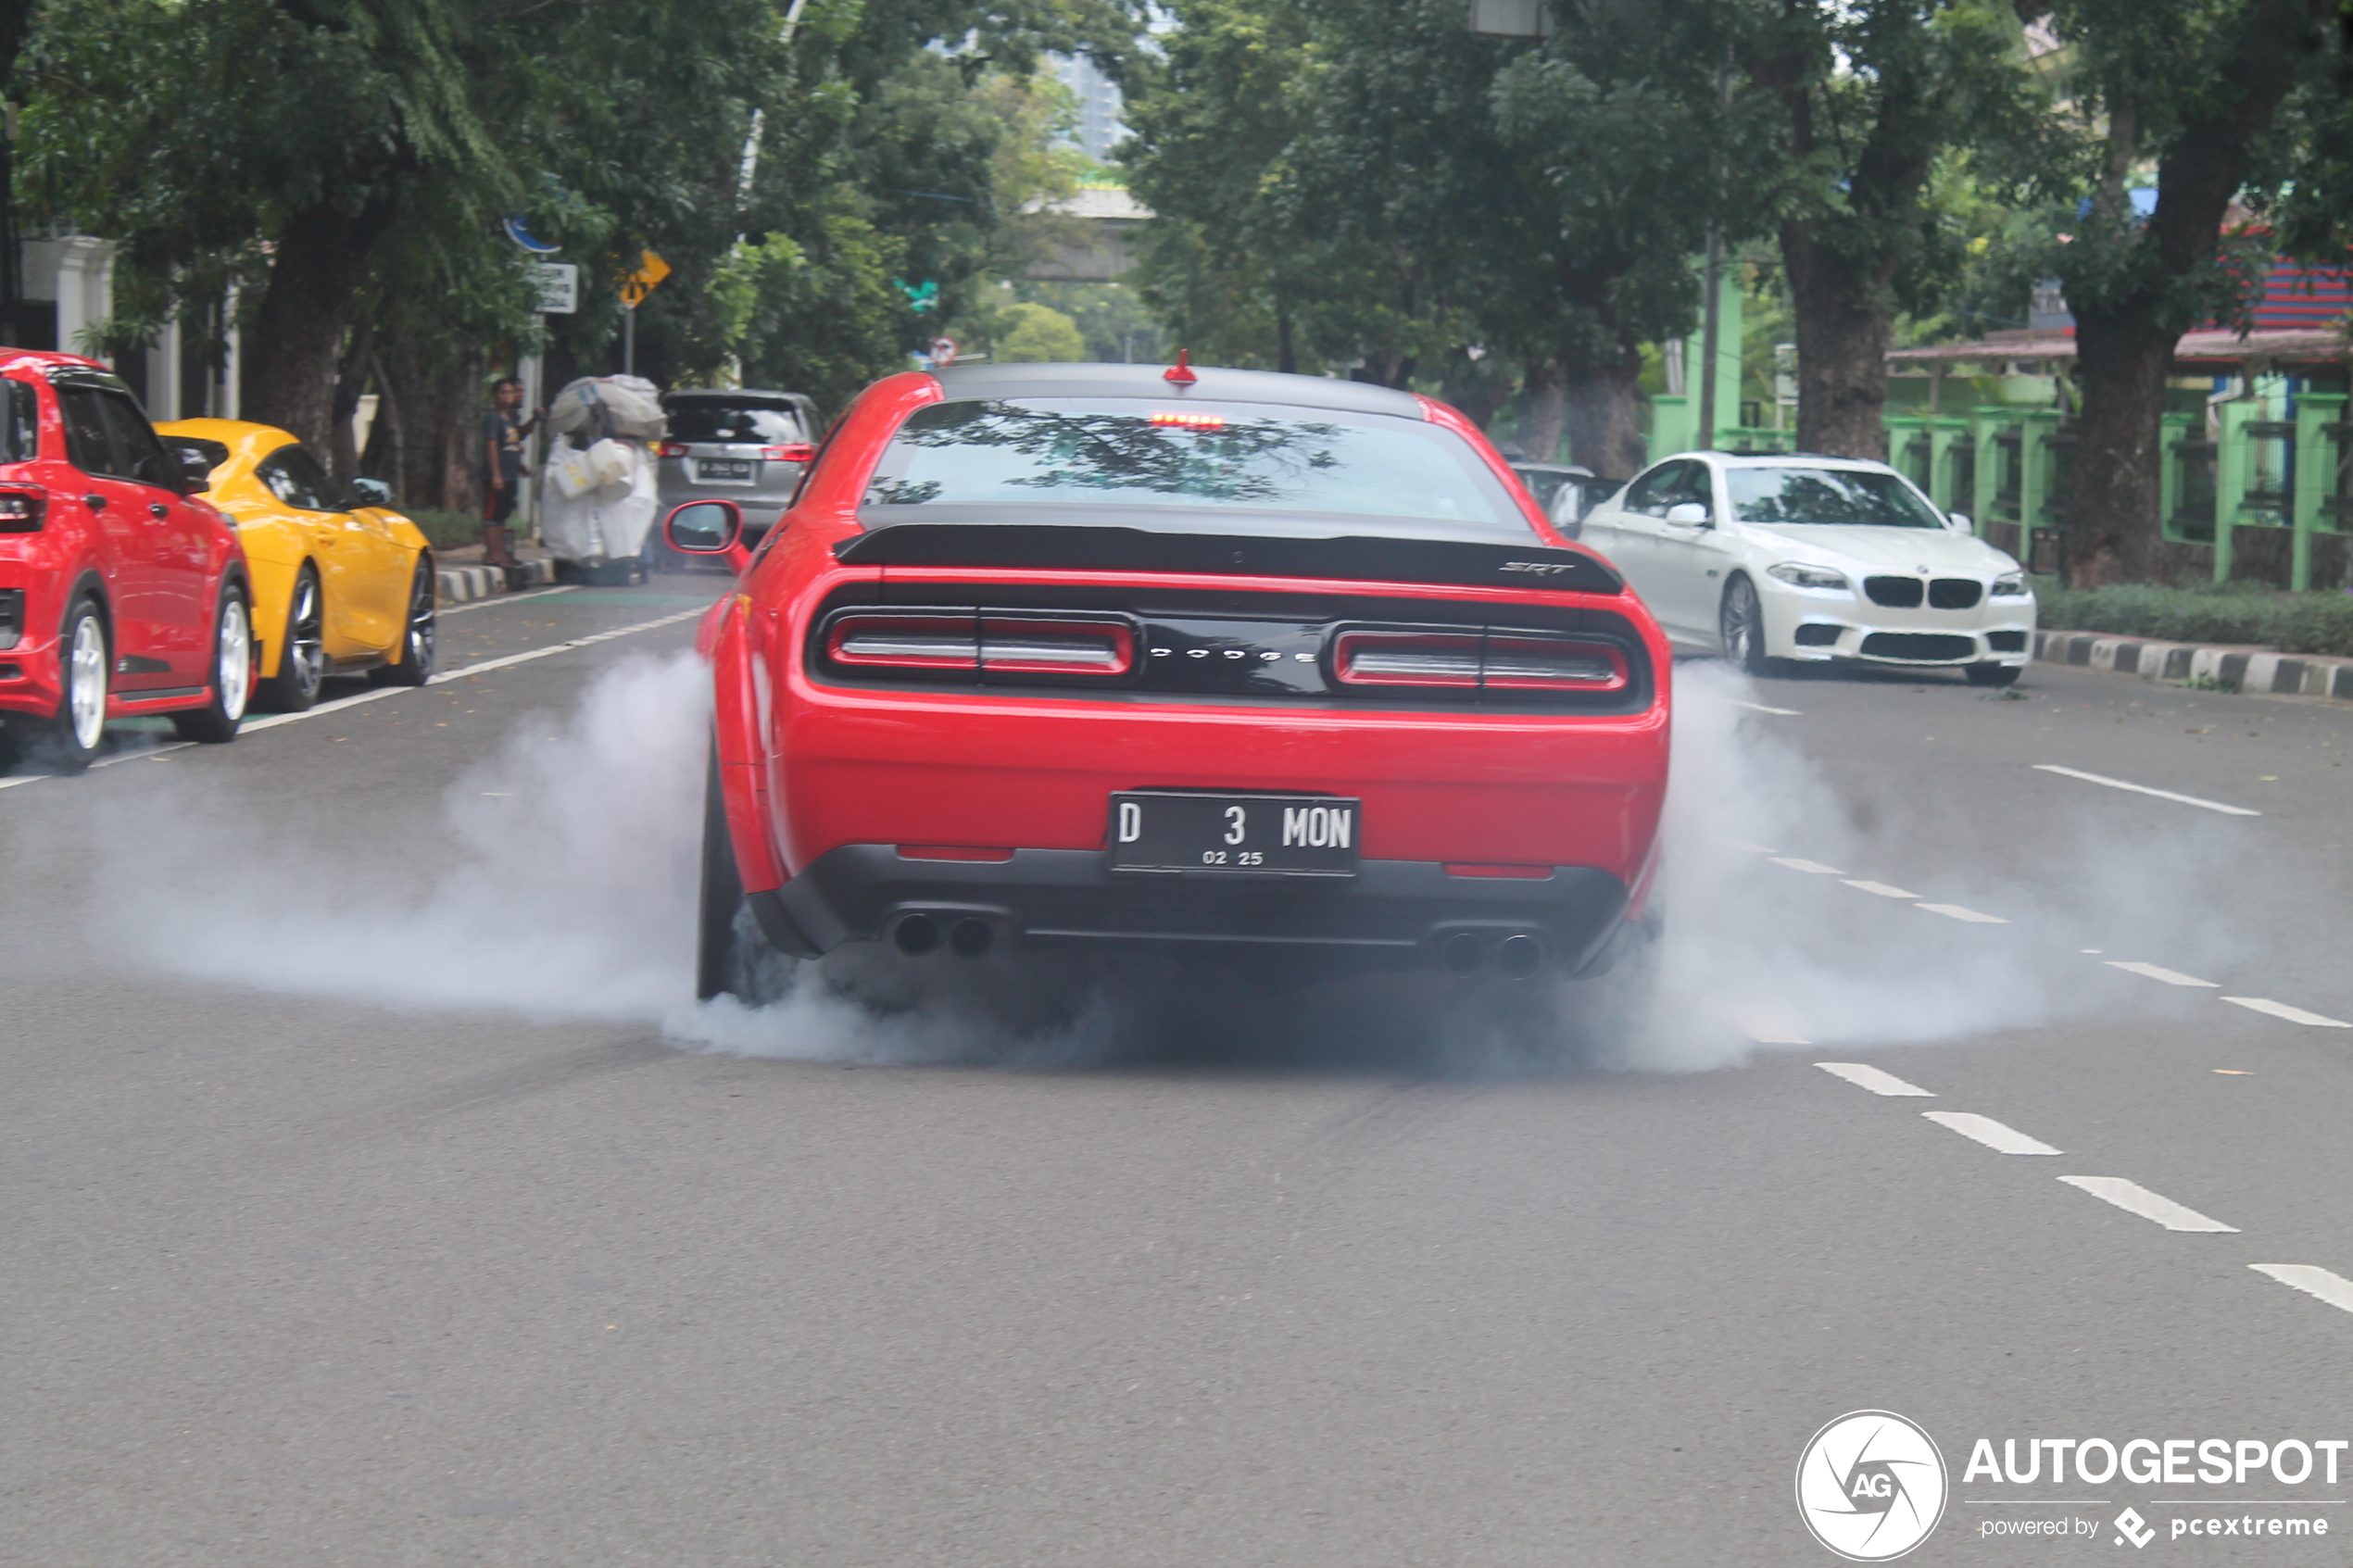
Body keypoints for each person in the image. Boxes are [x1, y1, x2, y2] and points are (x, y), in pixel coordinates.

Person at [481, 377, 544, 569]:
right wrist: (496, 474)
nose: (509, 396)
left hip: (510, 474)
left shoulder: (509, 419)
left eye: (511, 392)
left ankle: (502, 554)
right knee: (493, 516)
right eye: (504, 392)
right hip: (498, 476)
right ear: (495, 395)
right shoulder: (493, 418)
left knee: (502, 515)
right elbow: (491, 447)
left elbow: (513, 441)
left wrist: (519, 464)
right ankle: (494, 555)